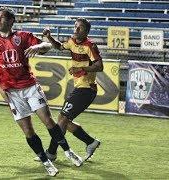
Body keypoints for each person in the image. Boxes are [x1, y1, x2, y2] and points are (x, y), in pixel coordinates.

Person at [0, 7, 82, 177]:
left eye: (1, 18)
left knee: (48, 121)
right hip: (11, 93)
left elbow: (47, 45)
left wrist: (38, 46)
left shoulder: (22, 37)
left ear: (10, 21)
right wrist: (0, 88)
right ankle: (46, 162)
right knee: (28, 131)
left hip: (29, 86)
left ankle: (68, 151)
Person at [41, 18, 103, 162]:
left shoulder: (90, 46)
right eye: (75, 26)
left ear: (86, 31)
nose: (76, 29)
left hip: (86, 89)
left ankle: (51, 153)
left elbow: (99, 66)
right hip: (81, 88)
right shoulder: (72, 42)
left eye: (79, 28)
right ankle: (90, 142)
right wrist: (49, 37)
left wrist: (80, 68)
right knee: (65, 121)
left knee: (62, 119)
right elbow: (59, 47)